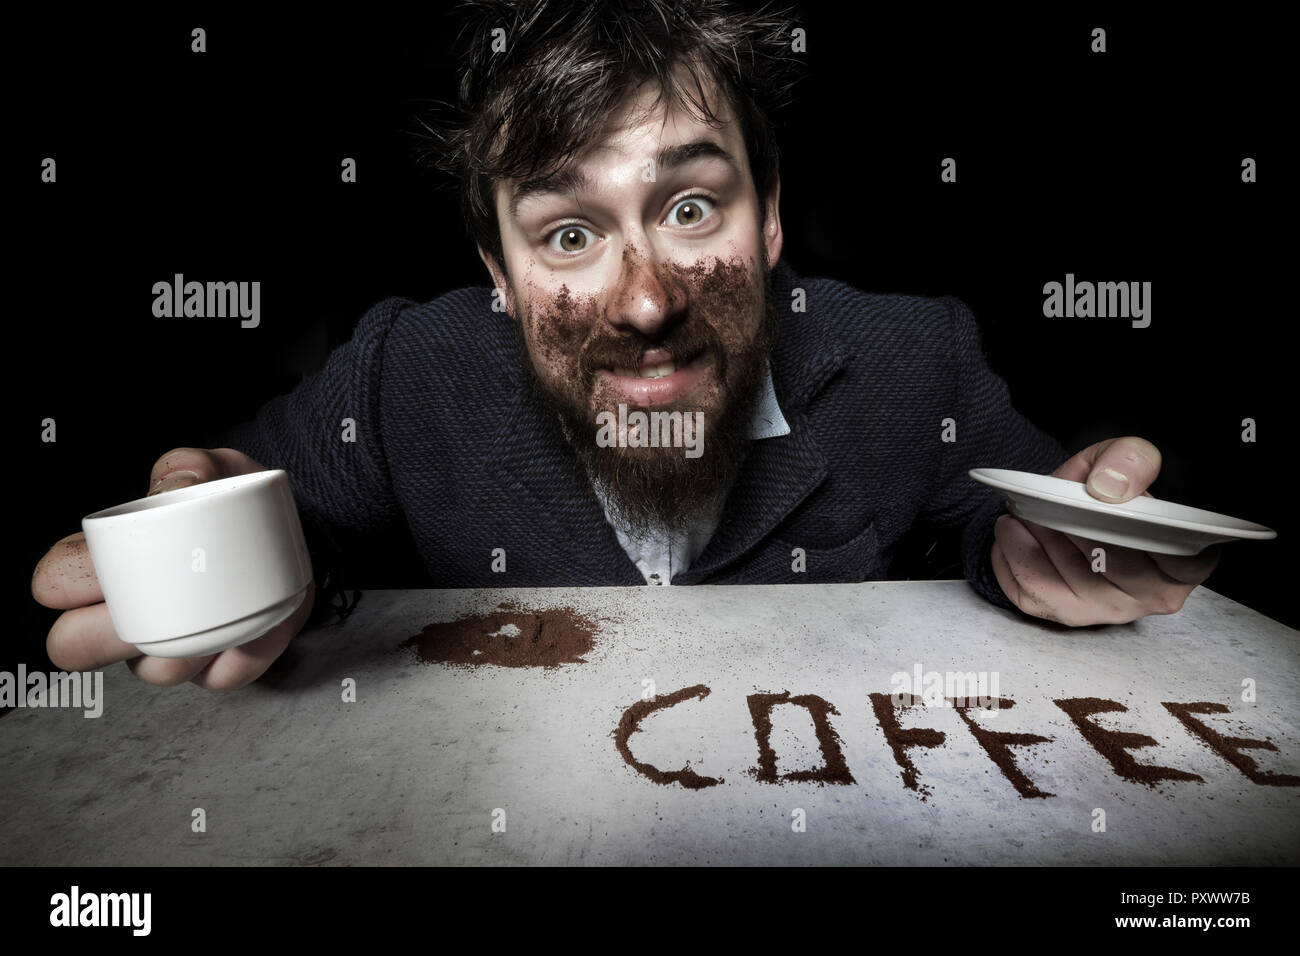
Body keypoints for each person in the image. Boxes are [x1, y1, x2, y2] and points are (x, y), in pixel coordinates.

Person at [30, 0, 1218, 692]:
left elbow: (1015, 517)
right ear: (497, 275)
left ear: (772, 218)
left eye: (692, 207)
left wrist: (1068, 543)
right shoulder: (405, 376)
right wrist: (246, 558)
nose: (645, 299)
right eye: (565, 232)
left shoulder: (916, 357)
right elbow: (263, 506)